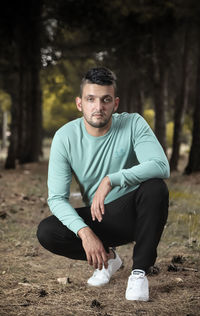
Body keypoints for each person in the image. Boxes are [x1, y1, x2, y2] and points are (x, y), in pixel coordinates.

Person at [37, 67, 169, 301]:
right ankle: (108, 258)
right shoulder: (65, 137)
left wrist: (111, 179)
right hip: (100, 219)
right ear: (80, 103)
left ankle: (139, 272)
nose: (98, 108)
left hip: (135, 213)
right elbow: (57, 198)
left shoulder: (133, 124)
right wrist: (85, 232)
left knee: (155, 187)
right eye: (91, 99)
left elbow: (161, 165)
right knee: (47, 231)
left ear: (115, 103)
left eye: (105, 100)